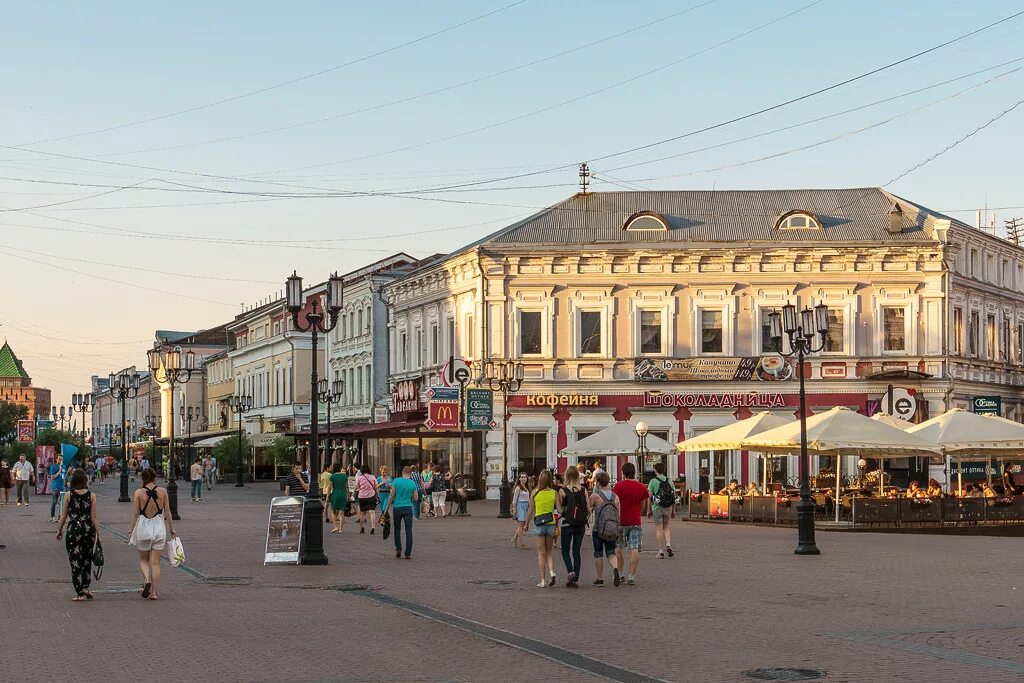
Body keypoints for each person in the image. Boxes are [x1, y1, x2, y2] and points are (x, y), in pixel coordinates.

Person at [128, 468, 175, 601]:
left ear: (143, 478)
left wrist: (131, 529)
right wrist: (172, 528)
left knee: (143, 559)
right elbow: (168, 512)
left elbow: (135, 514)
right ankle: (154, 592)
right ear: (154, 478)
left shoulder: (138, 493)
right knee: (155, 563)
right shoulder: (163, 491)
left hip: (143, 528)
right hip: (159, 528)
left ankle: (147, 579)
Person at [55, 469, 99, 601]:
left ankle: (79, 592)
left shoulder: (69, 495)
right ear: (85, 480)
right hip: (88, 531)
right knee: (87, 560)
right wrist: (98, 533)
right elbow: (94, 517)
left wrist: (59, 530)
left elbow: (64, 515)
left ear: (73, 480)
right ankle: (85, 586)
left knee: (75, 561)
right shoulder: (92, 496)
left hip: (74, 530)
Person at [612, 462, 649, 586]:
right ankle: (632, 576)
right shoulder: (641, 487)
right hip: (635, 521)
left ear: (623, 473)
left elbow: (614, 503)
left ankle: (621, 573)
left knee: (619, 548)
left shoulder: (618, 486)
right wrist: (639, 512)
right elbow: (643, 503)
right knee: (635, 549)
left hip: (621, 521)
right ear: (634, 473)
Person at [557, 467, 590, 588]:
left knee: (565, 550)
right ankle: (576, 578)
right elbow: (588, 508)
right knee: (576, 551)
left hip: (567, 524)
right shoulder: (584, 490)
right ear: (577, 475)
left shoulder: (563, 490)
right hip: (580, 525)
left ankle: (570, 572)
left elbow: (560, 510)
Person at [526, 469, 557, 588]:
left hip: (539, 523)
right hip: (551, 523)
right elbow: (559, 509)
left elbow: (530, 511)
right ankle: (552, 571)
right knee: (549, 552)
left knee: (540, 553)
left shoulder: (534, 492)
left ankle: (543, 580)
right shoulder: (554, 493)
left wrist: (527, 524)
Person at [589, 471, 620, 586]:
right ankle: (615, 568)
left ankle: (599, 578)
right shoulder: (615, 497)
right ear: (608, 482)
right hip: (612, 528)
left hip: (598, 528)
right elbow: (618, 514)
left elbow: (588, 509)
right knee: (611, 553)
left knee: (598, 553)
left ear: (597, 483)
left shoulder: (595, 496)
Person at [384, 466, 419, 559]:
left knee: (397, 529)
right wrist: (410, 494)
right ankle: (408, 553)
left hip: (397, 508)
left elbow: (392, 495)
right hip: (408, 507)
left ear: (402, 473)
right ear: (410, 474)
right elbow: (416, 498)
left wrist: (387, 508)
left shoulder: (396, 481)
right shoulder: (412, 483)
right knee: (408, 531)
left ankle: (398, 548)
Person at [647, 462, 676, 559]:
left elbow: (649, 497)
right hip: (668, 507)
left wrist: (648, 510)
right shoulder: (670, 481)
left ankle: (660, 551)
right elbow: (674, 496)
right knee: (666, 527)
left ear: (655, 470)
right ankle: (668, 544)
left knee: (659, 529)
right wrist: (673, 510)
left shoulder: (653, 481)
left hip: (657, 507)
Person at [355, 464, 379, 534]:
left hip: (362, 497)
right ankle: (373, 528)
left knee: (362, 513)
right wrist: (377, 496)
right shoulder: (372, 477)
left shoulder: (359, 477)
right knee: (372, 512)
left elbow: (357, 487)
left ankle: (362, 528)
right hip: (371, 496)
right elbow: (376, 487)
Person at [510, 472, 531, 549]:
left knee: (522, 525)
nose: (523, 478)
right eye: (522, 477)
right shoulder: (518, 488)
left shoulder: (527, 487)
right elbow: (514, 500)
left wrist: (530, 506)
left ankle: (514, 539)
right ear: (519, 479)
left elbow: (528, 498)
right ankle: (522, 543)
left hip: (526, 506)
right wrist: (514, 510)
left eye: (525, 477)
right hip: (520, 506)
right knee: (521, 526)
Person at [328, 463, 349, 533]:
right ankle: (340, 529)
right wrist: (348, 496)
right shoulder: (345, 476)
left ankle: (335, 527)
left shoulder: (332, 477)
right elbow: (347, 487)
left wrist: (327, 496)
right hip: (343, 495)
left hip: (335, 494)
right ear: (340, 468)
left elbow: (330, 487)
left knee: (333, 512)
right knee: (342, 513)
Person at [49, 454, 66, 523]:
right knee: (54, 501)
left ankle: (60, 517)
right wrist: (59, 470)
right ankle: (52, 517)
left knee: (62, 503)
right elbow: (52, 477)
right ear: (56, 459)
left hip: (62, 487)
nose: (60, 460)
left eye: (61, 459)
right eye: (59, 459)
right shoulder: (53, 466)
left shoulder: (64, 466)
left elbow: (64, 476)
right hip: (56, 487)